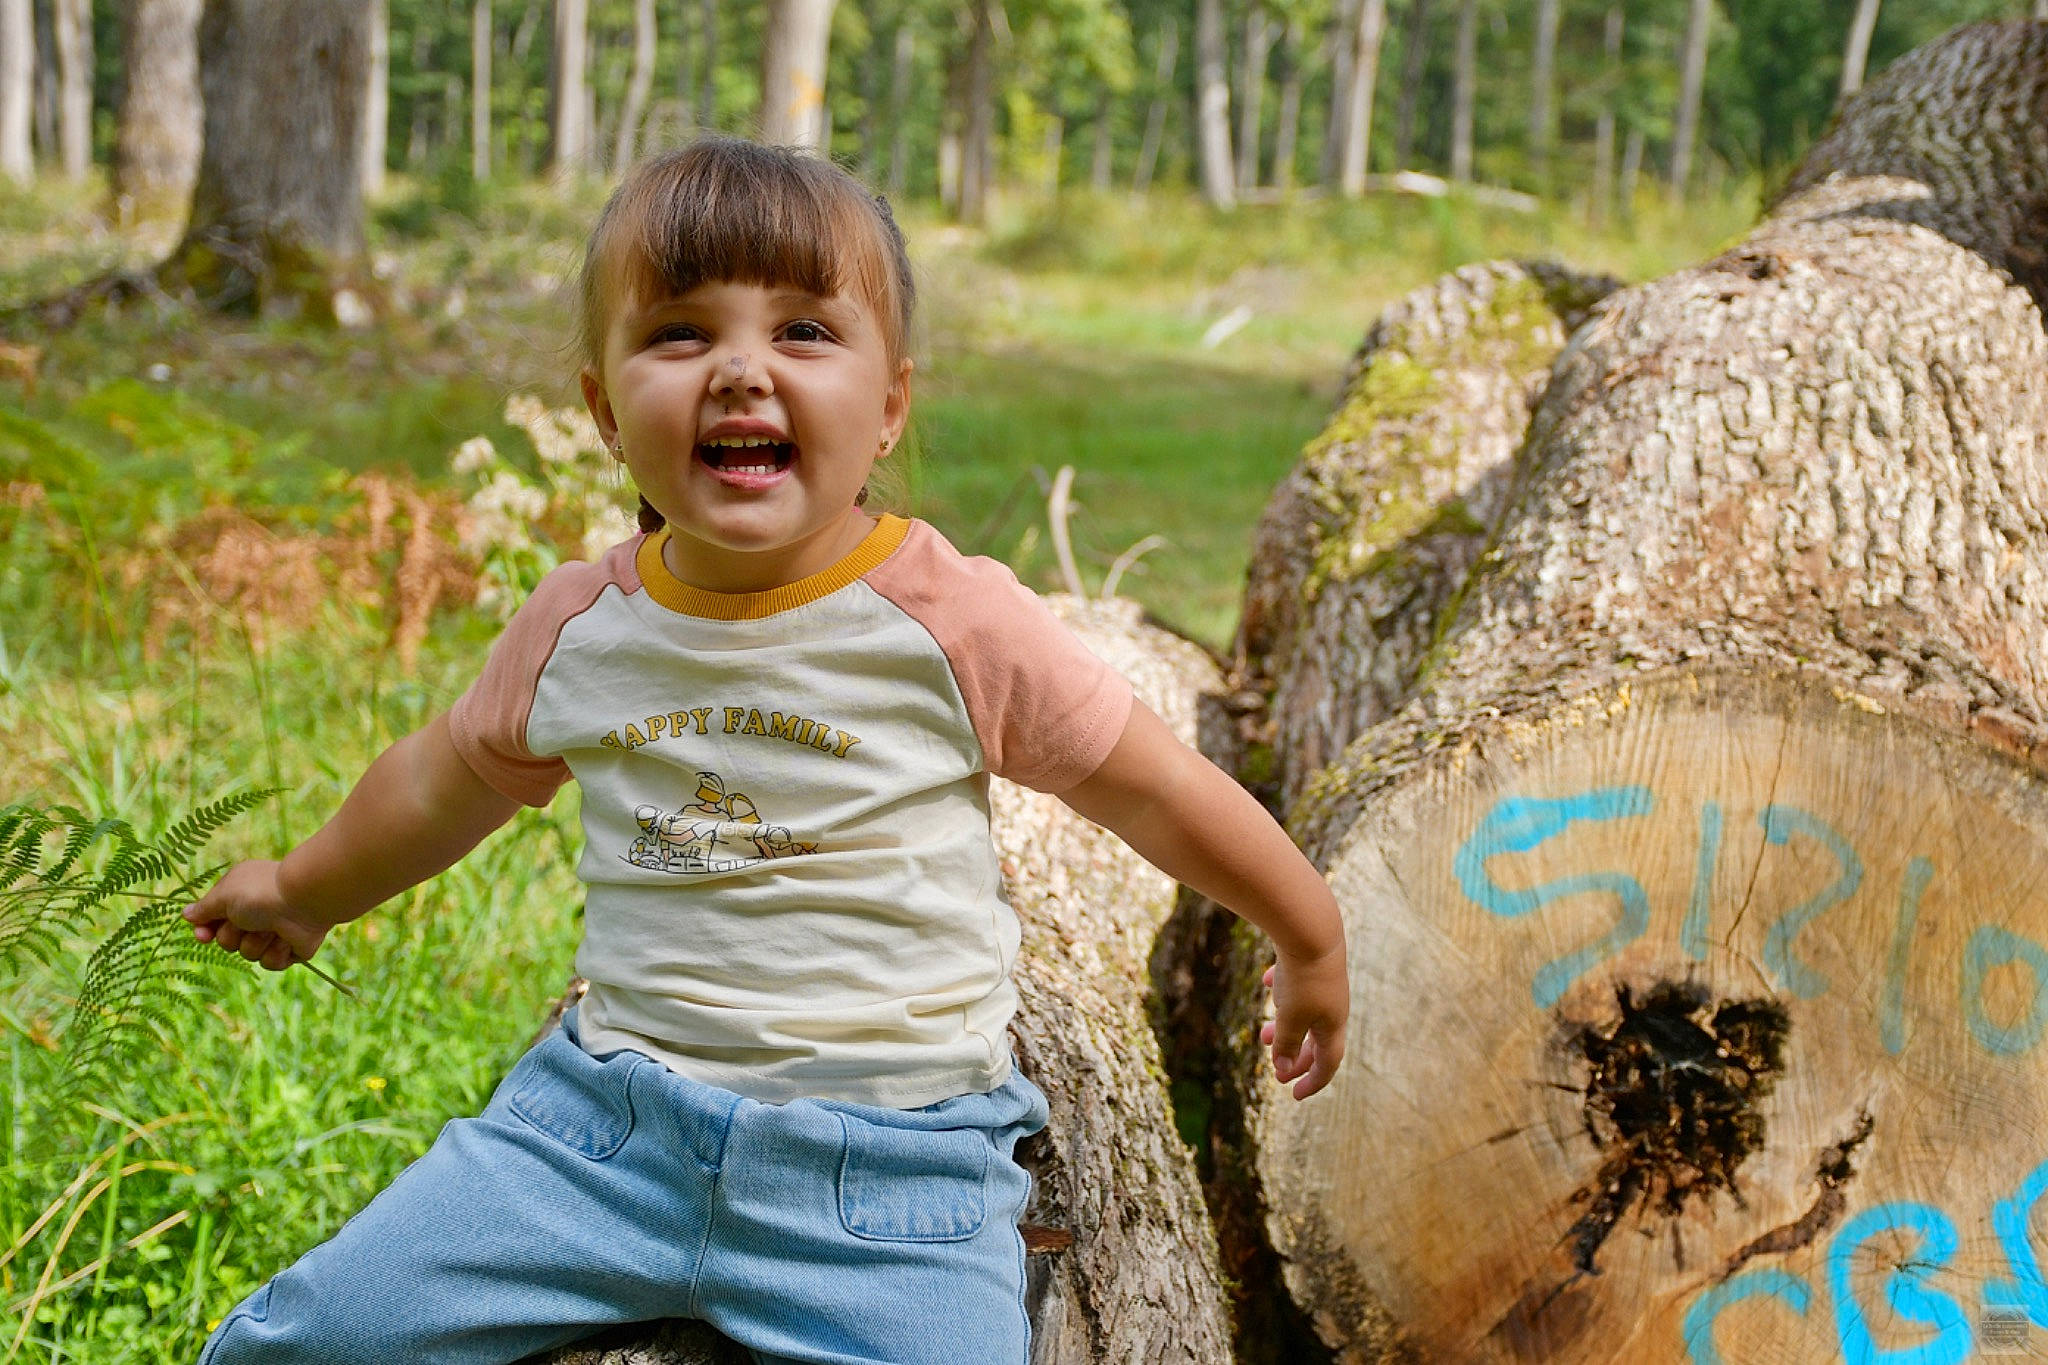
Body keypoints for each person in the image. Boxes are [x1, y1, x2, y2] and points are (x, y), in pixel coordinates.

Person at [184, 135, 1348, 1365]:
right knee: (295, 1344)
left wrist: (1307, 929)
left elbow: (1155, 791)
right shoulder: (584, 625)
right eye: (680, 333)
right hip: (594, 1142)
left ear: (890, 402)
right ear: (602, 407)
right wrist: (303, 890)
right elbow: (438, 783)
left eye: (802, 331)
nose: (741, 371)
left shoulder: (949, 618)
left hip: (887, 1186)